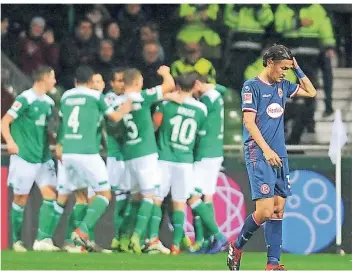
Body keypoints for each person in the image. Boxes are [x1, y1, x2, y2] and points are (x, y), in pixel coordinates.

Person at [227, 44, 317, 271]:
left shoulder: (283, 86)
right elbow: (249, 122)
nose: (284, 72)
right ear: (269, 62)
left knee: (278, 209)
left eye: (288, 68)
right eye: (282, 67)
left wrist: (297, 68)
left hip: (280, 154)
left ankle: (272, 264)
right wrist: (266, 150)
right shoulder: (252, 86)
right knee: (265, 211)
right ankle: (236, 247)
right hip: (259, 152)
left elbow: (311, 92)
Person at [54, 65, 132, 251]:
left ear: (75, 81)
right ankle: (82, 231)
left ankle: (75, 242)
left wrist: (59, 143)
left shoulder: (66, 96)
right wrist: (126, 108)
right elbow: (114, 117)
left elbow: (63, 123)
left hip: (68, 151)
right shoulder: (96, 97)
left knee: (81, 197)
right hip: (87, 152)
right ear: (90, 82)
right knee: (104, 193)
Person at [145, 72, 208, 255]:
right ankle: (175, 246)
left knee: (157, 200)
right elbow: (198, 135)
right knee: (180, 202)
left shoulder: (165, 104)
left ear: (177, 85)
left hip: (164, 158)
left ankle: (152, 239)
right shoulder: (201, 109)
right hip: (185, 161)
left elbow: (155, 126)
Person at [1, 66, 59, 252]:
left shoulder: (49, 102)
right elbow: (4, 122)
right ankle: (17, 241)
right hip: (24, 156)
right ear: (44, 79)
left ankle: (42, 240)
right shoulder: (25, 98)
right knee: (20, 199)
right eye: (53, 78)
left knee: (51, 195)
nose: (55, 81)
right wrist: (10, 141)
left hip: (43, 157)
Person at [119, 66, 175, 254]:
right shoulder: (141, 96)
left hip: (129, 154)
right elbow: (169, 86)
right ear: (136, 82)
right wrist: (165, 73)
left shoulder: (119, 101)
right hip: (146, 153)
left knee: (135, 198)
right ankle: (137, 237)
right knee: (149, 196)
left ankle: (123, 238)